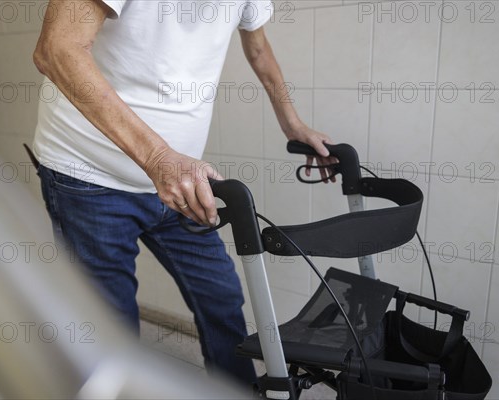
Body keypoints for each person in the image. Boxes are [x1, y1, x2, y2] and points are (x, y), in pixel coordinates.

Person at [31, 0, 334, 386]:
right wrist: (158, 156)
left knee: (222, 298)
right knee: (112, 321)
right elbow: (57, 49)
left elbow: (257, 47)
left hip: (179, 180)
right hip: (88, 175)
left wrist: (292, 124)